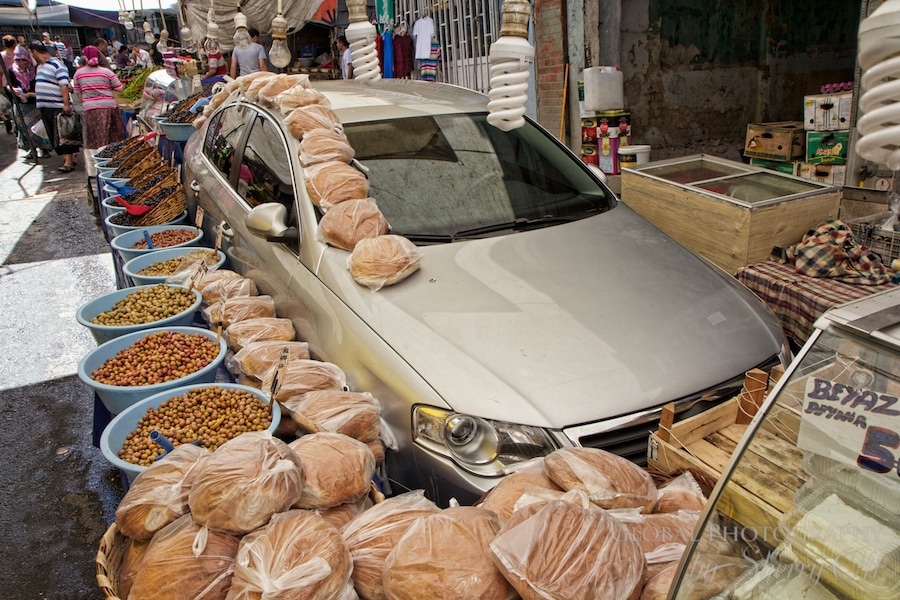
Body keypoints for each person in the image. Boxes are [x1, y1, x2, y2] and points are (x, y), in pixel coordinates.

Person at [29, 40, 79, 172]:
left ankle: (68, 162)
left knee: (64, 134)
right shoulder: (40, 67)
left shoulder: (57, 65)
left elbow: (64, 85)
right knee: (54, 135)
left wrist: (66, 104)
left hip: (57, 106)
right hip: (45, 107)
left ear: (34, 52)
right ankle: (69, 158)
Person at [72, 45, 124, 150]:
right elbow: (119, 88)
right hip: (108, 107)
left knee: (95, 135)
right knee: (112, 136)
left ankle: (96, 158)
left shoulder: (78, 73)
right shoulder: (106, 72)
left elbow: (77, 92)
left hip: (90, 109)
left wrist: (87, 100)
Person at [10, 44, 44, 158]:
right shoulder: (12, 71)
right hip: (21, 104)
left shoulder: (35, 69)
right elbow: (8, 85)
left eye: (23, 60)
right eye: (18, 60)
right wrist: (13, 90)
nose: (21, 63)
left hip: (35, 102)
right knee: (24, 127)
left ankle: (44, 149)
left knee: (38, 127)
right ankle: (31, 149)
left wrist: (30, 94)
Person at [1, 35, 16, 134]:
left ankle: (16, 125)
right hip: (18, 82)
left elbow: (0, 72)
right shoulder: (18, 54)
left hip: (6, 83)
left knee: (12, 105)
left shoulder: (1, 55)